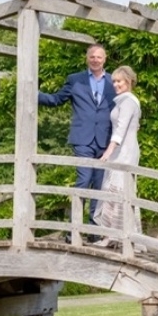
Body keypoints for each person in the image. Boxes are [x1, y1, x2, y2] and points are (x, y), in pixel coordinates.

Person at [38, 43, 115, 221]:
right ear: (87, 58)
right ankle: (74, 228)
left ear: (105, 59)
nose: (95, 60)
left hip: (106, 141)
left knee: (100, 185)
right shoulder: (75, 79)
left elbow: (123, 106)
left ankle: (94, 229)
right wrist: (33, 93)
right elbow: (56, 99)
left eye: (99, 57)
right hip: (83, 139)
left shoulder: (113, 81)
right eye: (92, 57)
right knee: (83, 180)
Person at [92, 65, 142, 246]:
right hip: (120, 150)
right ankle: (110, 236)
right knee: (110, 191)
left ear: (128, 82)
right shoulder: (122, 101)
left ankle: (128, 238)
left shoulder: (129, 101)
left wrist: (109, 151)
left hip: (124, 152)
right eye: (113, 81)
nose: (115, 84)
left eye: (119, 81)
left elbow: (121, 128)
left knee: (120, 191)